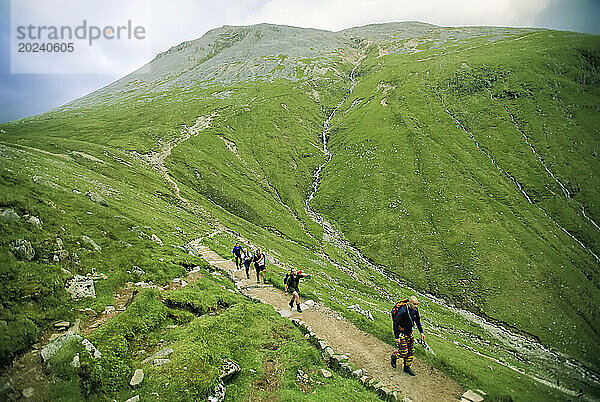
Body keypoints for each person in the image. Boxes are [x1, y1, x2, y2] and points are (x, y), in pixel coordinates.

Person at [390, 296, 424, 376]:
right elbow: (395, 323)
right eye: (414, 304)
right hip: (401, 333)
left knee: (411, 351)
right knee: (404, 352)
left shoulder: (415, 310)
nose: (416, 306)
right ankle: (394, 356)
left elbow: (417, 321)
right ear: (409, 302)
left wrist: (421, 332)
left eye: (417, 304)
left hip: (409, 332)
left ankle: (407, 367)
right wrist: (397, 337)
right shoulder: (403, 311)